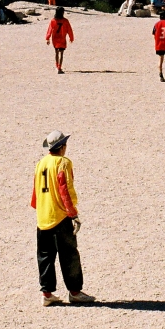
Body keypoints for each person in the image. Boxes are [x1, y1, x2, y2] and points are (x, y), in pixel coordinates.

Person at [30, 129, 95, 306]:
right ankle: (74, 291)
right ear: (62, 146)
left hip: (43, 217)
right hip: (60, 216)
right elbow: (64, 189)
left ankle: (47, 293)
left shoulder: (40, 163)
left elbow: (35, 195)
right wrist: (73, 213)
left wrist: (41, 209)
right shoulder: (63, 163)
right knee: (69, 255)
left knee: (44, 256)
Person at [46, 6, 74, 73]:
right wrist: (71, 38)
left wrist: (48, 38)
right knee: (61, 53)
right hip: (62, 38)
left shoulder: (53, 20)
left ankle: (56, 66)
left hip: (55, 38)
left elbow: (49, 29)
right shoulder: (65, 21)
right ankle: (59, 67)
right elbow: (69, 30)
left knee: (56, 52)